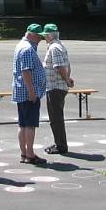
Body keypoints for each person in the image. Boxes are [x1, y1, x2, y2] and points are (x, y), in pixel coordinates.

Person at [12, 24, 47, 165]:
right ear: (31, 35)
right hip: (28, 92)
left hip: (22, 91)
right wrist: (32, 92)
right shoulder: (27, 49)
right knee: (30, 125)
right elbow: (26, 71)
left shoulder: (21, 45)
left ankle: (24, 153)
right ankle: (29, 154)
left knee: (23, 123)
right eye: (39, 37)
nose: (40, 40)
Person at [40, 24, 74, 155]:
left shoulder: (54, 48)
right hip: (57, 86)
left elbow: (59, 67)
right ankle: (59, 143)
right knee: (56, 117)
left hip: (55, 87)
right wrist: (68, 79)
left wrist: (66, 80)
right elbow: (67, 66)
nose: (44, 38)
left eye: (44, 35)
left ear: (49, 35)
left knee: (55, 118)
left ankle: (61, 146)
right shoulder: (60, 46)